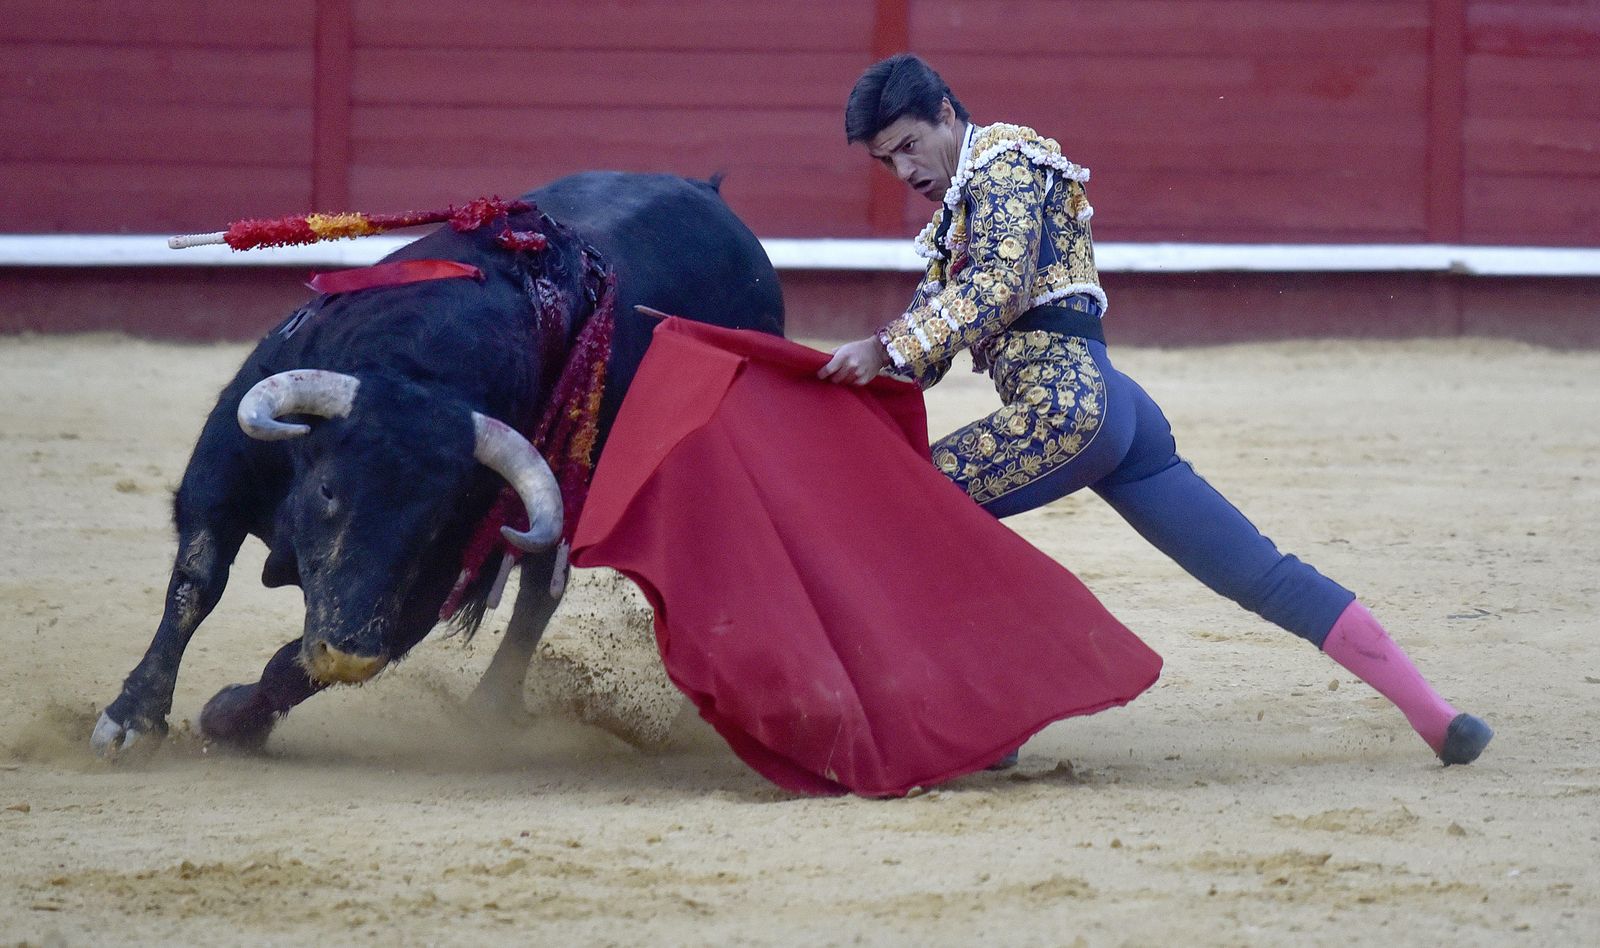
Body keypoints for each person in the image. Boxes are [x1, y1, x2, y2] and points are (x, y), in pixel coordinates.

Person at [818, 53, 1492, 766]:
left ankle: (990, 720)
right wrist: (864, 367)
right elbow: (937, 330)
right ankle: (1437, 717)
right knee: (1256, 571)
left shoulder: (1001, 169)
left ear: (945, 115)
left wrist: (883, 349)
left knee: (905, 508)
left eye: (908, 147)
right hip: (1117, 409)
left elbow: (994, 290)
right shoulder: (975, 194)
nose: (903, 173)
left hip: (1067, 411)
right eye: (886, 162)